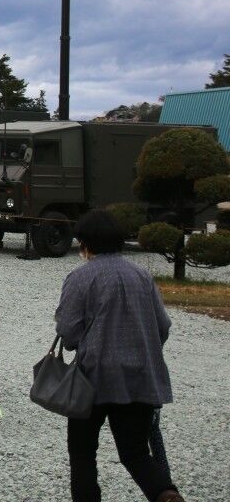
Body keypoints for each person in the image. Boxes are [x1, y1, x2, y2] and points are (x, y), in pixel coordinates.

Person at [55, 210, 181, 502]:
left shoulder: (80, 277)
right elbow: (163, 326)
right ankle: (166, 494)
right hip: (140, 376)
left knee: (83, 453)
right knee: (135, 452)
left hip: (93, 377)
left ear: (85, 243)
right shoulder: (142, 275)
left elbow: (68, 331)